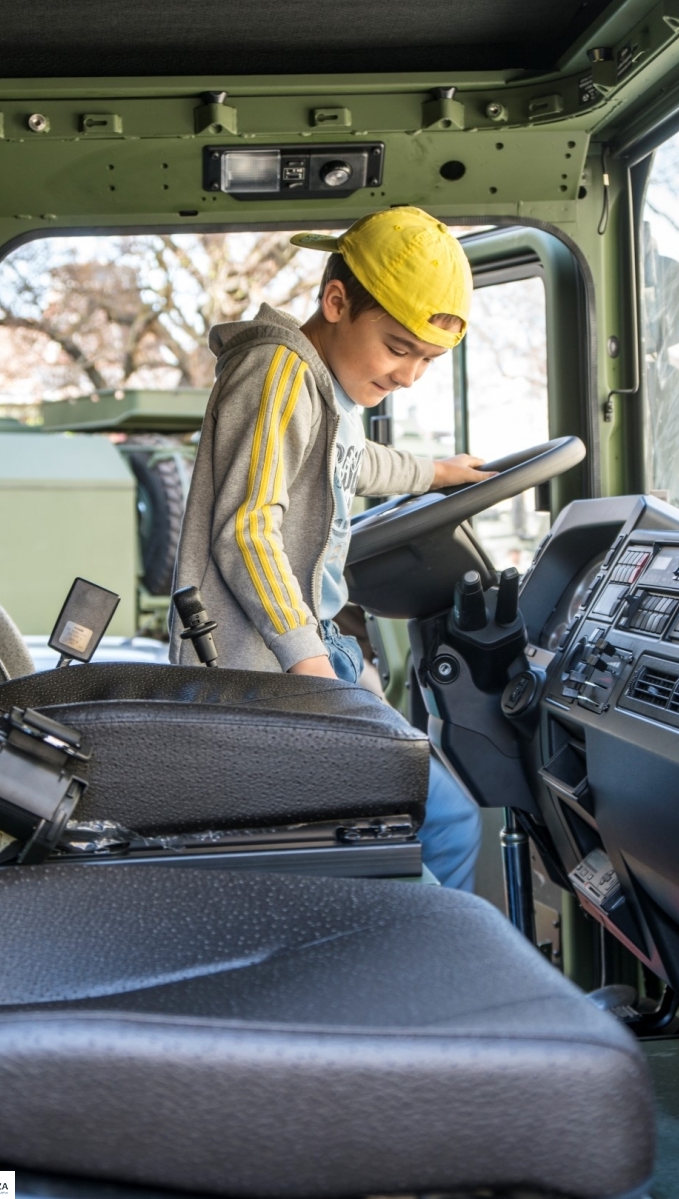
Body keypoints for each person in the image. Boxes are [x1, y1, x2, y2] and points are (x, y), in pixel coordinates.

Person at [171, 206, 492, 889]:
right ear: (336, 300)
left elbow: (357, 460)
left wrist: (436, 472)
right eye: (398, 348)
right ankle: (431, 977)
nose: (409, 377)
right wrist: (310, 662)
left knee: (442, 821)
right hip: (260, 675)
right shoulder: (279, 370)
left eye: (428, 361)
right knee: (444, 827)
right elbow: (248, 527)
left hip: (303, 660)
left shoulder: (324, 393)